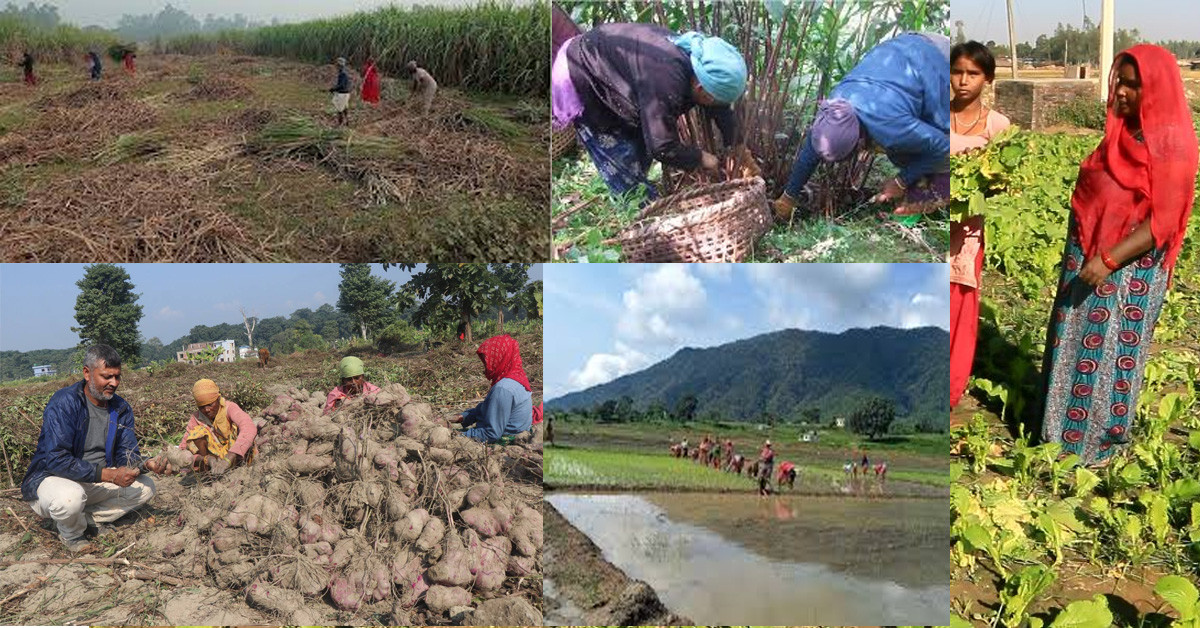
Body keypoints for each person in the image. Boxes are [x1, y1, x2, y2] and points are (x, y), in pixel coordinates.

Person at [1041, 45, 1198, 467]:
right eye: (1120, 82)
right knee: (1072, 343)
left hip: (1128, 272)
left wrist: (1108, 259)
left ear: (1156, 88)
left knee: (1109, 355)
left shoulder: (1171, 144)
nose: (1122, 92)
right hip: (1089, 257)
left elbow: (1163, 220)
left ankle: (1097, 449)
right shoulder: (1122, 133)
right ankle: (1058, 438)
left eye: (1134, 84)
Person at [551, 20, 753, 202]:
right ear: (703, 90)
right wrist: (705, 159)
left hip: (611, 69)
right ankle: (646, 221)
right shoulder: (666, 81)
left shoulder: (697, 64)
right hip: (581, 74)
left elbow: (721, 109)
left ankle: (642, 195)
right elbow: (661, 147)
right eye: (716, 100)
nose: (717, 106)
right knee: (622, 168)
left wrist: (735, 146)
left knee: (639, 150)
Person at [772, 32, 950, 221]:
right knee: (904, 149)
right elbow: (810, 152)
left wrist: (901, 181)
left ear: (859, 141)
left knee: (942, 143)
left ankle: (939, 194)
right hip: (902, 51)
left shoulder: (891, 126)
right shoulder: (834, 111)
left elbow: (944, 146)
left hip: (938, 59)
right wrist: (788, 197)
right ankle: (922, 183)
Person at [20, 345, 161, 553]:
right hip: (53, 479)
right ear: (87, 373)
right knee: (70, 498)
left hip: (95, 480)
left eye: (117, 377)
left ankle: (88, 518)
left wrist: (146, 464)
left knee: (146, 488)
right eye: (107, 377)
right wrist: (108, 475)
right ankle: (71, 534)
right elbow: (56, 460)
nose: (114, 383)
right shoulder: (64, 403)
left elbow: (126, 454)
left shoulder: (120, 408)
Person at [950, 42, 1011, 409]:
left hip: (968, 232)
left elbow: (1004, 183)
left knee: (960, 305)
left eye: (973, 74)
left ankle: (951, 387)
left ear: (987, 78)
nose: (963, 81)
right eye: (957, 72)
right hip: (932, 221)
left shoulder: (997, 125)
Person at [451, 335, 534, 443]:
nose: (485, 366)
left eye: (487, 361)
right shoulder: (517, 378)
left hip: (505, 439)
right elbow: (488, 408)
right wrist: (463, 417)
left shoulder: (503, 389)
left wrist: (459, 436)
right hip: (510, 432)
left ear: (500, 358)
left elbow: (491, 434)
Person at [178, 379, 257, 474]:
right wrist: (207, 459)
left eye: (210, 405)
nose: (206, 410)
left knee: (239, 428)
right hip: (214, 463)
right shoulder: (196, 418)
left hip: (237, 455)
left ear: (218, 399)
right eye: (202, 407)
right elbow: (182, 449)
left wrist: (230, 457)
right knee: (197, 433)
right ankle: (208, 474)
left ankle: (238, 465)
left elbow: (249, 427)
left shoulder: (229, 408)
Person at [329, 57, 352, 126]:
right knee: (344, 108)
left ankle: (340, 124)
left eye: (337, 65)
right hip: (346, 93)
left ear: (339, 65)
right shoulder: (343, 73)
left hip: (342, 94)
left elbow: (341, 85)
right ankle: (347, 122)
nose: (336, 66)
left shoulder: (342, 74)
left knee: (339, 110)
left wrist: (333, 89)